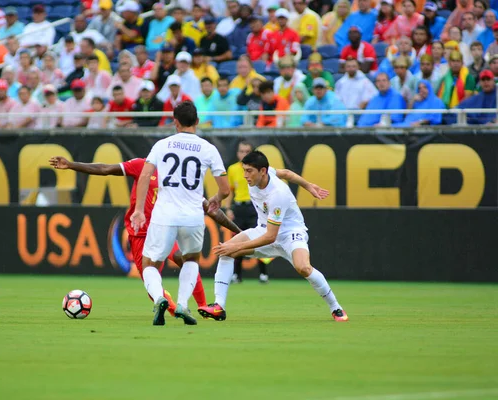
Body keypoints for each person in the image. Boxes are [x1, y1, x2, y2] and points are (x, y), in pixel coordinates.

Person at [49, 153, 238, 321]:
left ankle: (201, 306)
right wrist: (72, 165)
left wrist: (238, 230)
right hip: (140, 233)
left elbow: (209, 207)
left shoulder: (176, 177)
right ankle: (172, 307)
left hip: (162, 229)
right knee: (156, 277)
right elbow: (105, 168)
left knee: (183, 260)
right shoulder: (141, 166)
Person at [198, 151, 349, 323]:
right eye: (244, 170)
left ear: (262, 171)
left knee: (304, 268)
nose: (245, 175)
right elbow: (287, 173)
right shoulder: (263, 175)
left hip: (290, 234)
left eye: (249, 171)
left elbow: (271, 237)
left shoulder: (278, 194)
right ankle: (219, 306)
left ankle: (335, 307)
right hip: (263, 229)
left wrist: (237, 247)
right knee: (225, 252)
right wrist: (308, 186)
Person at [129, 101, 231, 326]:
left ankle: (158, 298)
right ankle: (183, 304)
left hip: (164, 215)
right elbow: (225, 189)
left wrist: (138, 211)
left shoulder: (162, 145)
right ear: (197, 121)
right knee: (191, 259)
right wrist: (216, 199)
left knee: (150, 264)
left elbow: (145, 176)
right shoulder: (208, 148)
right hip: (193, 216)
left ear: (175, 122)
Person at [224, 141, 270, 283]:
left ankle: (263, 274)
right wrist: (228, 208)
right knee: (238, 239)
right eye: (241, 151)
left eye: (247, 151)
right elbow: (230, 191)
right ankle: (237, 275)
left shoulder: (257, 169)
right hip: (239, 207)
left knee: (260, 239)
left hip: (254, 207)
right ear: (237, 153)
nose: (244, 154)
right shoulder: (232, 169)